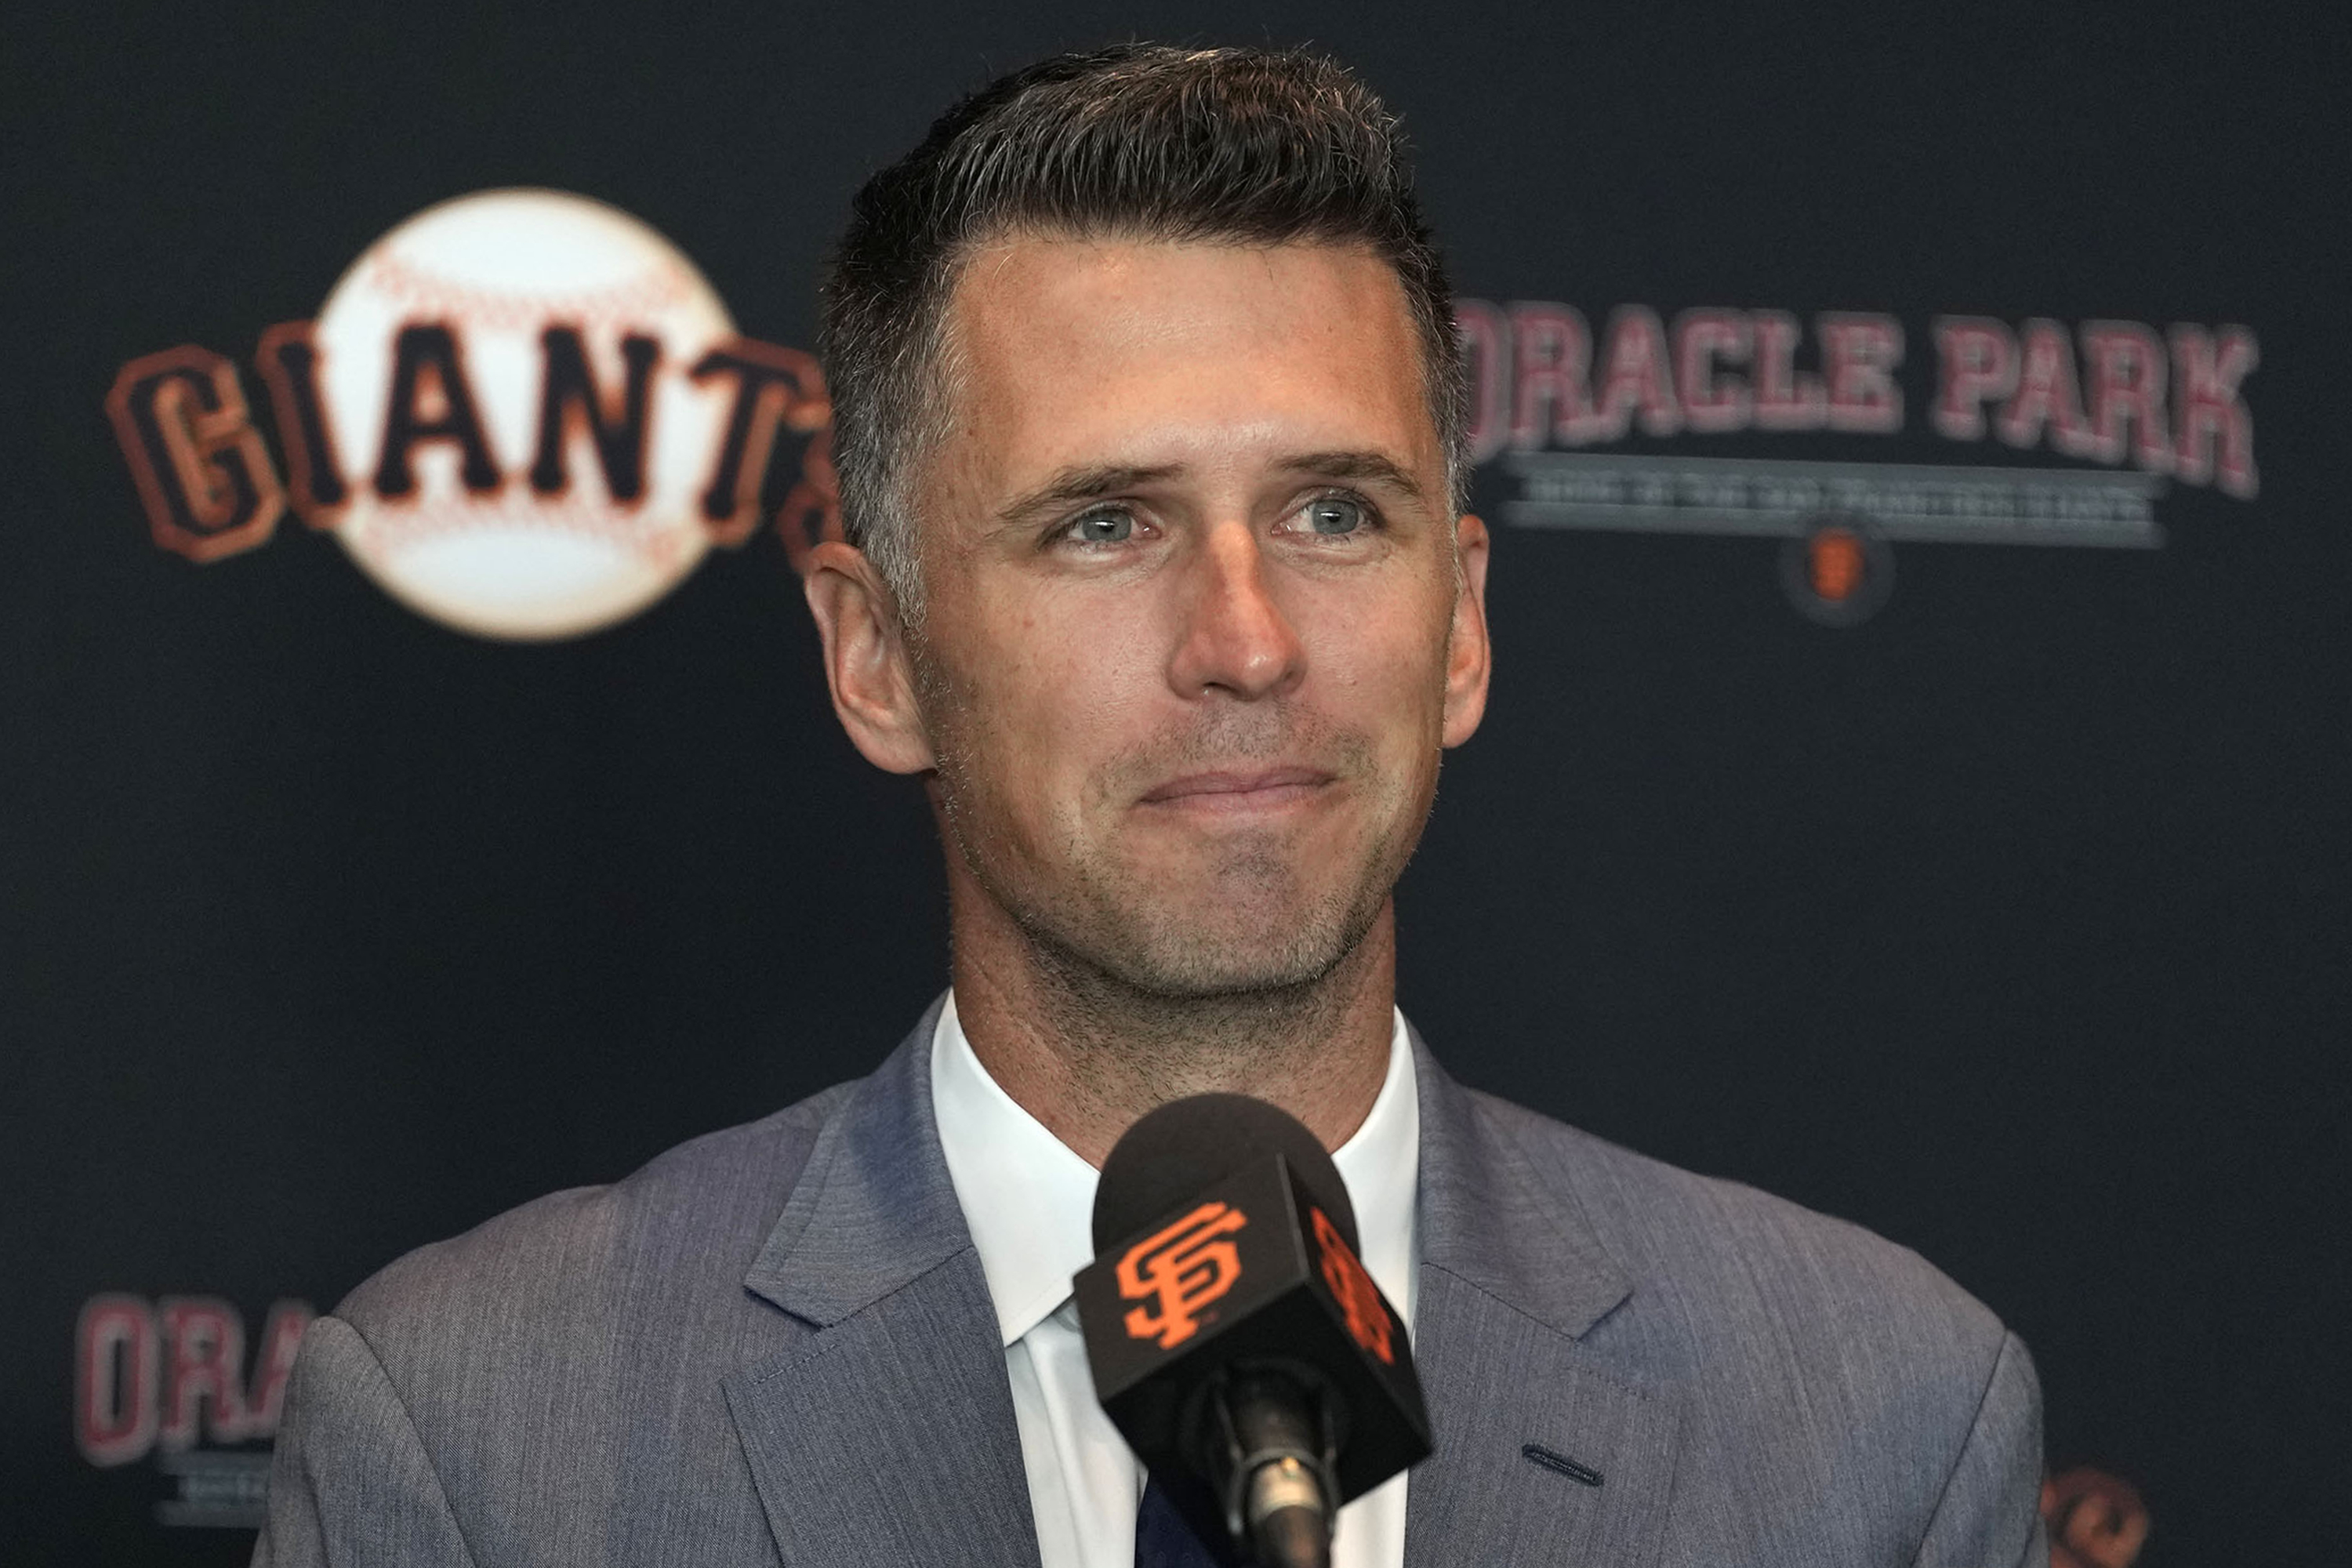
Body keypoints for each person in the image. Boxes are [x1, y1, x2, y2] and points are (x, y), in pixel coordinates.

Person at [254, 44, 2047, 1568]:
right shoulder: (482, 1439)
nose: (1248, 641)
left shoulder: (1875, 1425)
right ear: (877, 655)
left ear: (1467, 625)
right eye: (1105, 524)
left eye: (1335, 512)